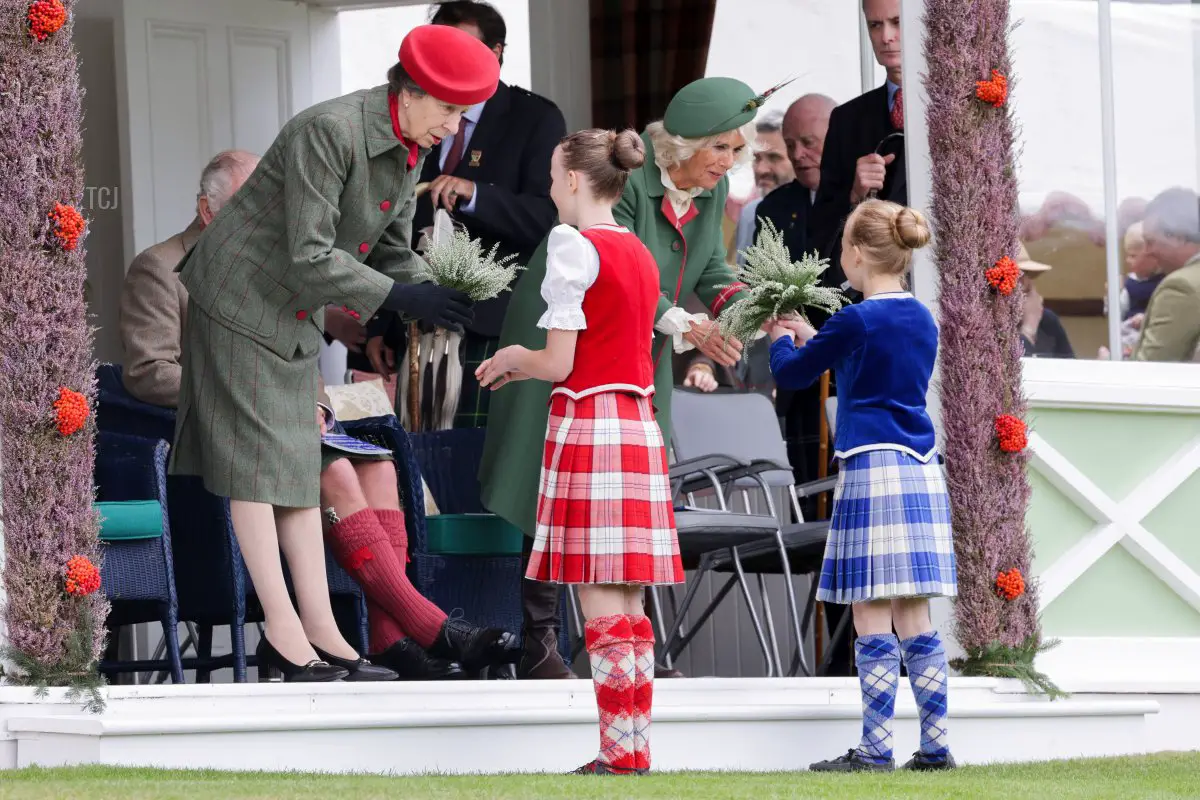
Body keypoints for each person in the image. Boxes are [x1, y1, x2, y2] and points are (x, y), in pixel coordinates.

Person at [170, 25, 497, 682]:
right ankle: (283, 634)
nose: (454, 126)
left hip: (289, 311)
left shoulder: (408, 147)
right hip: (238, 304)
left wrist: (433, 291)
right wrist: (402, 295)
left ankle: (323, 631)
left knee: (293, 468)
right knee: (255, 473)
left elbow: (388, 250)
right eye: (449, 109)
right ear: (412, 90)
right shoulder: (330, 130)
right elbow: (310, 254)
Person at [479, 76, 765, 680]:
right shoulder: (621, 182)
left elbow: (709, 266)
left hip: (632, 350)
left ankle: (622, 665)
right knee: (545, 480)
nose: (729, 163)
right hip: (569, 334)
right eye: (722, 148)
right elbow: (619, 271)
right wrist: (691, 327)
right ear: (685, 145)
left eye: (737, 151)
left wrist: (754, 306)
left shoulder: (707, 194)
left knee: (616, 506)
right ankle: (543, 641)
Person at [476, 128, 683, 775]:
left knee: (598, 594)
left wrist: (515, 357)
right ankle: (631, 749)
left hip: (590, 421)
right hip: (636, 422)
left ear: (572, 180)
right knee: (628, 600)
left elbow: (559, 359)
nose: (545, 187)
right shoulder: (641, 250)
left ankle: (618, 754)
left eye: (549, 175)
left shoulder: (570, 245)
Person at [768, 200, 957, 772]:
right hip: (921, 466)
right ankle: (935, 747)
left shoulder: (854, 319)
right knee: (914, 613)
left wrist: (782, 337)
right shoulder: (922, 316)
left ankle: (875, 750)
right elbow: (870, 364)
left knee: (870, 607)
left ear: (854, 253)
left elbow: (791, 375)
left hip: (872, 466)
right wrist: (817, 334)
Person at [364, 1, 567, 430]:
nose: (446, 60)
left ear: (495, 52)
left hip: (492, 324)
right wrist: (382, 322)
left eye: (461, 45)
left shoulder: (535, 118)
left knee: (474, 463)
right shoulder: (413, 111)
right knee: (420, 460)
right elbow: (389, 225)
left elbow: (548, 218)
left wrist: (476, 194)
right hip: (415, 320)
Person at [120, 150, 259, 407]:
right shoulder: (158, 268)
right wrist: (245, 398)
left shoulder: (271, 264)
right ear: (208, 210)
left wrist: (318, 406)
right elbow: (149, 372)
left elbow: (299, 355)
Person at [809, 0, 907, 275]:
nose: (886, 37)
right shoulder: (846, 118)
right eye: (875, 25)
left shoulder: (958, 108)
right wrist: (854, 196)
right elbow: (821, 227)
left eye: (897, 23)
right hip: (873, 291)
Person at [1132, 187, 1200, 363]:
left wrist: (1106, 364)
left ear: (1178, 236)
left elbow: (1150, 371)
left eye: (1150, 242)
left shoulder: (1180, 287)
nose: (1146, 252)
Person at [1017, 244, 1074, 359]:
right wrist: (1028, 330)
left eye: (1027, 275)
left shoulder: (1047, 322)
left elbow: (1071, 370)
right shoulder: (986, 326)